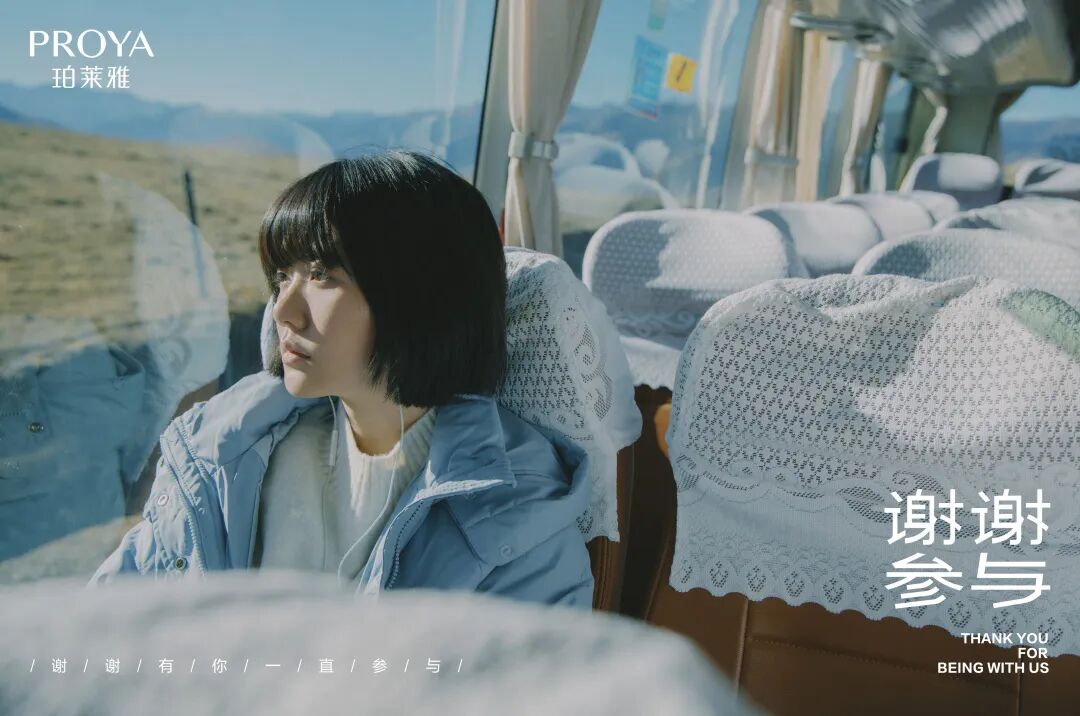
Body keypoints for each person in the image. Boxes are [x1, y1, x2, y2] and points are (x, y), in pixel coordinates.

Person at [88, 151, 595, 608]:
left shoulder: (518, 521)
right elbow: (109, 615)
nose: (282, 311)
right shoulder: (221, 451)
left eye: (321, 275)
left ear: (422, 293)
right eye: (282, 277)